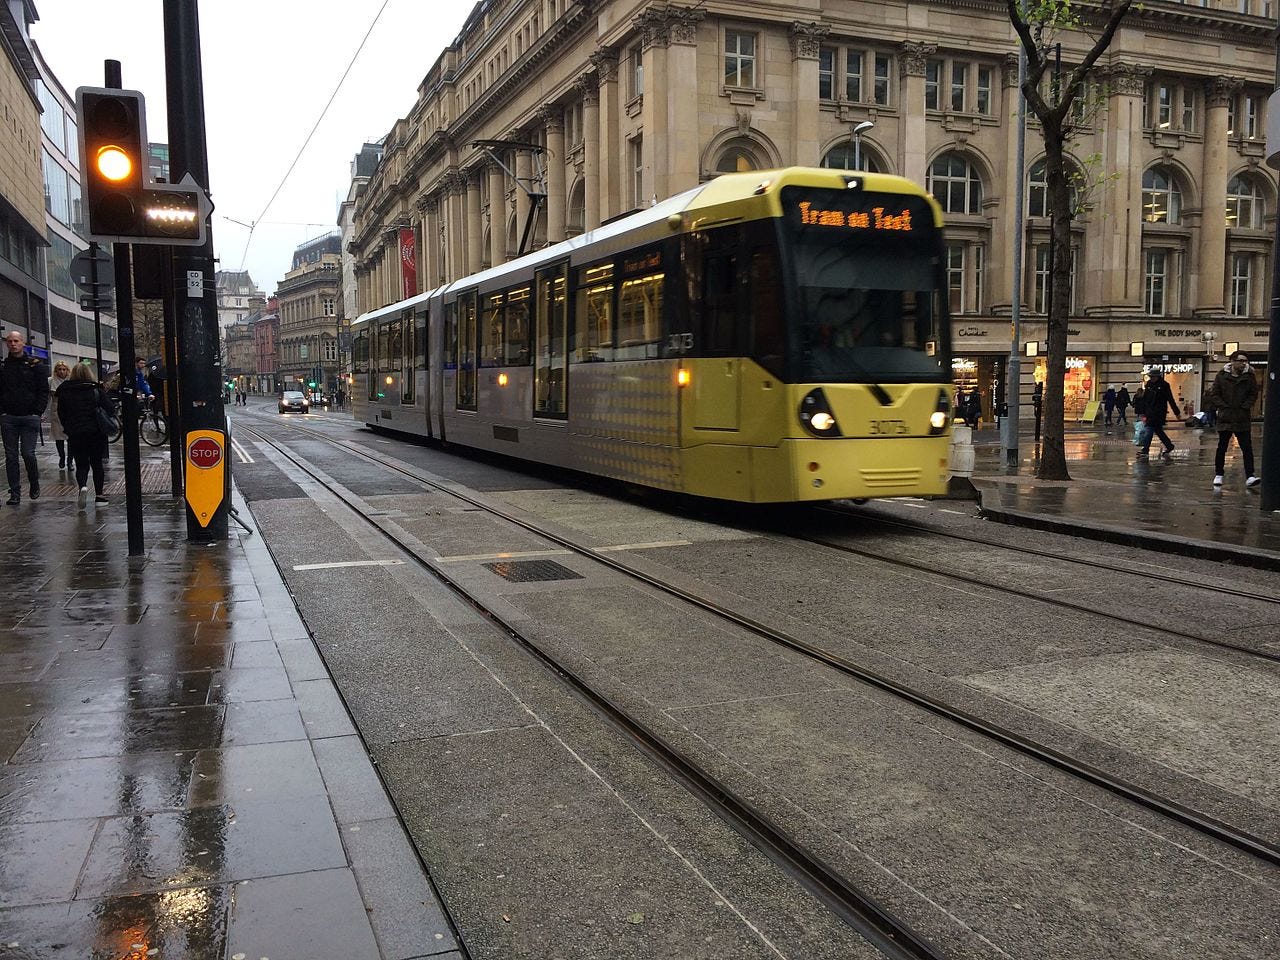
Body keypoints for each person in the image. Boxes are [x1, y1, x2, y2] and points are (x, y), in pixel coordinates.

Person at [0, 330, 48, 505]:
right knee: (11, 456)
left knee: (28, 453)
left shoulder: (35, 366)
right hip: (9, 417)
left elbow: (43, 391)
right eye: (10, 341)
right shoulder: (4, 367)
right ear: (7, 344)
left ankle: (34, 482)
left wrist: (37, 411)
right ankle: (15, 492)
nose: (13, 344)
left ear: (23, 343)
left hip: (29, 417)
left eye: (16, 341)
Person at [56, 362, 112, 506]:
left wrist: (67, 428)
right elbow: (110, 409)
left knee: (81, 463)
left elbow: (61, 413)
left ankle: (83, 487)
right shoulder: (95, 389)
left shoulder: (65, 390)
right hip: (95, 432)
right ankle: (99, 496)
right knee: (97, 463)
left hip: (75, 432)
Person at [1207, 351, 1259, 488]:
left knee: (1247, 448)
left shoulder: (1249, 376)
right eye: (1241, 360)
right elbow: (1214, 393)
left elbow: (1254, 393)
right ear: (1232, 361)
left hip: (1242, 417)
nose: (1243, 363)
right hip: (1226, 416)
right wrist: (1223, 406)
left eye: (1245, 361)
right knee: (1222, 447)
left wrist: (1245, 406)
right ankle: (1219, 474)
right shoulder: (1222, 375)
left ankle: (1250, 476)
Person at [1137, 370, 1179, 459]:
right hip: (1150, 411)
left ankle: (1145, 450)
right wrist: (1142, 411)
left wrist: (1176, 412)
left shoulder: (1164, 385)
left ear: (1157, 377)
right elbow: (1145, 399)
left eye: (1153, 377)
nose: (1151, 378)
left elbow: (1170, 399)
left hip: (1159, 412)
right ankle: (1169, 446)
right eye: (1150, 376)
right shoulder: (1149, 384)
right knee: (1158, 431)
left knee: (1149, 429)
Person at [48, 360, 73, 473]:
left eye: (64, 369)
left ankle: (70, 460)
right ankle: (62, 457)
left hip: (70, 410)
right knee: (59, 437)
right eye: (59, 369)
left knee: (71, 437)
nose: (62, 371)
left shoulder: (71, 381)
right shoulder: (50, 381)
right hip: (56, 411)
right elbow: (47, 397)